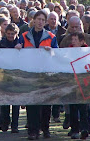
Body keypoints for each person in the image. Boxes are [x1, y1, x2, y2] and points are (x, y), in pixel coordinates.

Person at [15, 10, 58, 140]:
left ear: (45, 22)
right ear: (33, 20)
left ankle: (45, 129)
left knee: (46, 104)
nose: (40, 22)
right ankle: (33, 131)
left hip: (46, 75)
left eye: (42, 20)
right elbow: (18, 52)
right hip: (30, 75)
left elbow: (57, 55)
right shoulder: (24, 35)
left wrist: (51, 52)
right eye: (38, 19)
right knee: (31, 103)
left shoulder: (51, 37)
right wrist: (17, 47)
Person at [0, 23, 21, 134]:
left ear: (16, 33)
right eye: (8, 34)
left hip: (17, 76)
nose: (10, 36)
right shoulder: (1, 43)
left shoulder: (21, 43)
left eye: (12, 34)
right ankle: (4, 123)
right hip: (4, 75)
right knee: (5, 101)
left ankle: (15, 125)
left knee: (16, 103)